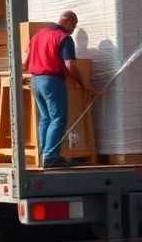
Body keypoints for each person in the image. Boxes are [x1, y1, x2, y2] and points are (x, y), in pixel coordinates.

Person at [22, 11, 93, 168]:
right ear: (67, 21)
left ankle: (44, 154)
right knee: (58, 118)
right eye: (73, 25)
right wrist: (81, 82)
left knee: (45, 119)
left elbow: (25, 62)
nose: (73, 29)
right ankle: (51, 157)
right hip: (52, 81)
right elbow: (70, 65)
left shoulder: (38, 35)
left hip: (35, 80)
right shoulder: (64, 38)